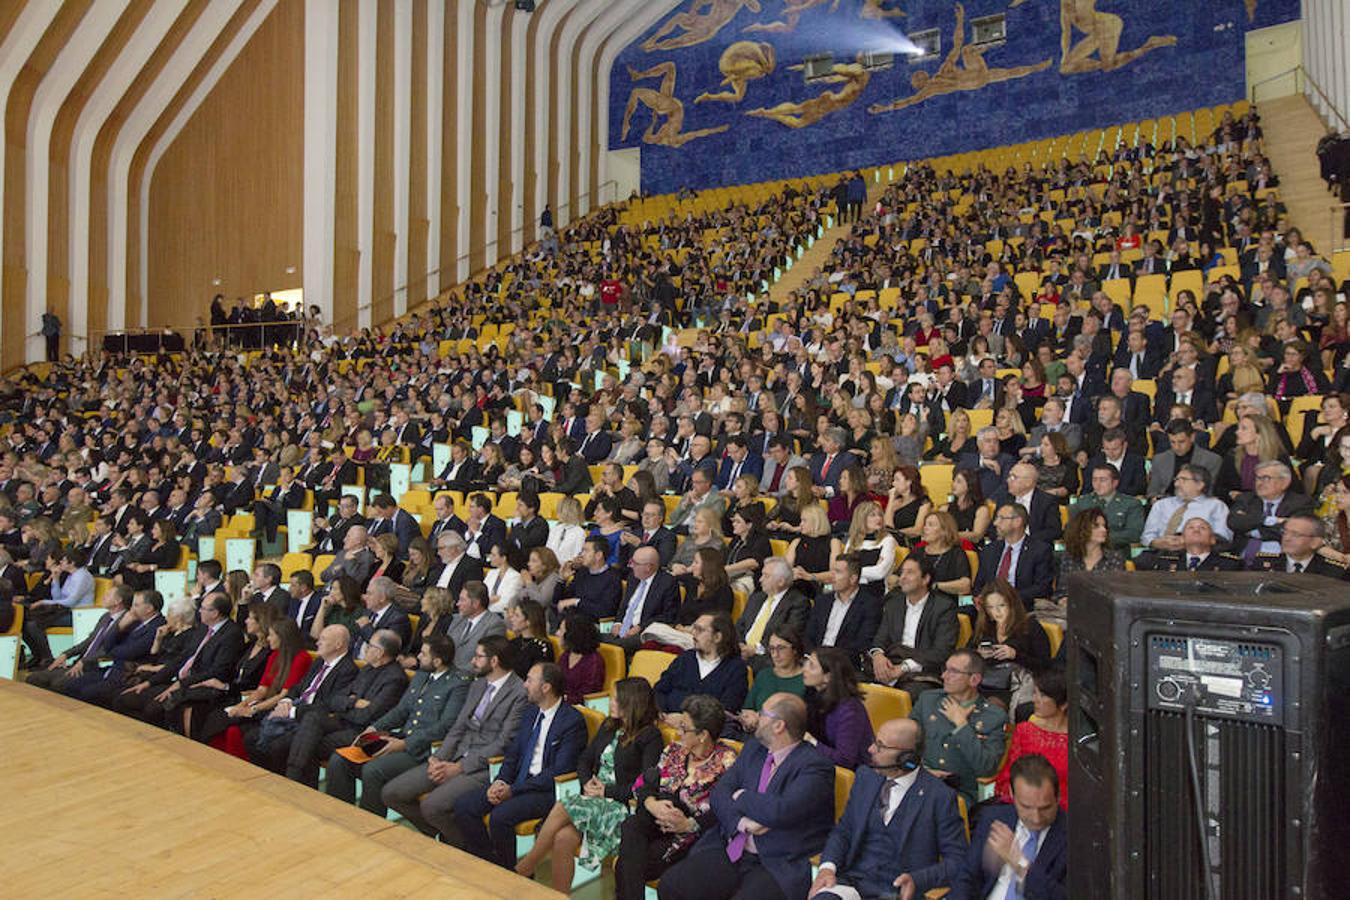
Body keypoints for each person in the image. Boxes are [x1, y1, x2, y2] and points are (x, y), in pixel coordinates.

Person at [655, 692, 835, 900]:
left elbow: (779, 810)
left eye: (763, 713)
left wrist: (741, 796)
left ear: (779, 726)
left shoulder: (815, 766)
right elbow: (720, 793)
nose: (757, 716)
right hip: (731, 844)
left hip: (774, 862)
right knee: (671, 885)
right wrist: (741, 823)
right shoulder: (754, 748)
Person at [515, 678, 664, 890]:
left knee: (564, 804)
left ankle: (525, 867)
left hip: (622, 809)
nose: (610, 702)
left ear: (631, 702)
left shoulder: (650, 737)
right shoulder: (609, 725)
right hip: (593, 800)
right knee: (563, 838)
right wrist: (587, 783)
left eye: (615, 699)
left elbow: (644, 784)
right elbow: (584, 759)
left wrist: (606, 790)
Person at [381, 634, 528, 843]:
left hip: (483, 766)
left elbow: (503, 743)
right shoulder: (477, 684)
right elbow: (458, 726)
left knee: (431, 806)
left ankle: (471, 851)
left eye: (478, 657)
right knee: (392, 793)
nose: (472, 661)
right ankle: (446, 837)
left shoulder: (519, 693)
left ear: (494, 661)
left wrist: (459, 767)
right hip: (454, 756)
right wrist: (439, 758)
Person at [810, 718, 968, 900]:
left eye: (880, 746)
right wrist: (827, 868)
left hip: (898, 893)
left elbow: (958, 860)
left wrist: (918, 880)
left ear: (906, 759)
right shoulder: (865, 777)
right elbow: (844, 830)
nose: (871, 750)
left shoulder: (939, 796)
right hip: (853, 883)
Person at [452, 662, 588, 869]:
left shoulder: (572, 721)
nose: (524, 685)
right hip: (516, 782)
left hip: (545, 790)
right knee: (464, 806)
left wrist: (513, 790)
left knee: (500, 817)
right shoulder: (530, 713)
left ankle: (509, 874)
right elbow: (513, 754)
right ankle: (490, 865)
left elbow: (559, 770)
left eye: (530, 680)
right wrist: (500, 781)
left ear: (546, 687)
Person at [323, 633, 465, 817]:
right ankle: (340, 815)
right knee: (340, 759)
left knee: (373, 770)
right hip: (400, 738)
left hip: (422, 750)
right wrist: (374, 728)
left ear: (437, 661)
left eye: (423, 654)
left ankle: (368, 824)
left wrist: (405, 744)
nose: (418, 657)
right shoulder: (422, 674)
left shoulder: (457, 684)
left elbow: (444, 727)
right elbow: (401, 710)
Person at [614, 694, 740, 900]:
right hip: (653, 820)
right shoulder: (674, 750)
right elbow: (645, 783)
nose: (678, 732)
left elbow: (723, 810)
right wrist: (651, 803)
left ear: (703, 735)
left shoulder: (726, 762)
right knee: (631, 825)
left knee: (626, 864)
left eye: (684, 728)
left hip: (688, 835)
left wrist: (689, 824)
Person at [113, 592, 246, 728]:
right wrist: (149, 683)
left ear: (215, 613)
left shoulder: (231, 634)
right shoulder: (203, 628)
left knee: (153, 710)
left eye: (203, 609)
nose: (199, 611)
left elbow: (218, 671)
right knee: (124, 698)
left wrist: (181, 684)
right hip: (180, 681)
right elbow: (181, 659)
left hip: (200, 686)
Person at [949, 755, 1068, 900]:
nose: (1036, 818)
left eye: (1045, 808)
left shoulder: (1074, 835)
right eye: (1026, 807)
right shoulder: (994, 818)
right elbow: (966, 878)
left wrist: (1019, 863)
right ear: (1012, 794)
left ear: (1058, 797)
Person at [910, 649, 1009, 805]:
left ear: (974, 679)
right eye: (945, 669)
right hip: (920, 779)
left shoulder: (993, 717)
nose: (944, 676)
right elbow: (905, 746)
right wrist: (919, 770)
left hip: (959, 792)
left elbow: (986, 768)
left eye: (953, 672)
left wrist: (961, 725)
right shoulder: (928, 700)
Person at [869, 554, 959, 692]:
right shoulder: (894, 604)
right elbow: (880, 638)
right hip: (892, 663)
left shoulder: (944, 607)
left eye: (910, 572)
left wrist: (904, 667)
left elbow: (941, 651)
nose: (902, 577)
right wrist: (878, 656)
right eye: (902, 572)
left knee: (913, 692)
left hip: (923, 671)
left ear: (925, 579)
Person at [25, 583, 133, 692]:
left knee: (58, 684)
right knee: (34, 678)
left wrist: (85, 661)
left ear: (118, 600)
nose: (104, 595)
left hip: (94, 666)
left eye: (108, 594)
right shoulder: (105, 617)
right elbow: (89, 641)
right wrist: (66, 654)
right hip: (79, 662)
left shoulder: (126, 622)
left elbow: (110, 649)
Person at [993, 670, 1069, 810]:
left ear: (1063, 704)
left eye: (1043, 695)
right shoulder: (1025, 731)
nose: (1034, 699)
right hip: (1026, 808)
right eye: (1035, 693)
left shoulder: (1078, 741)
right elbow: (1009, 776)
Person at [971, 580, 1052, 712]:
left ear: (1012, 604)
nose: (996, 612)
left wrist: (1015, 655)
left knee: (990, 709)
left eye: (1001, 605)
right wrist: (978, 654)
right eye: (990, 607)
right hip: (985, 682)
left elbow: (1045, 666)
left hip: (1015, 687)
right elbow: (967, 652)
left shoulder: (1030, 627)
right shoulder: (986, 626)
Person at [653, 612, 749, 716]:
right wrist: (662, 713)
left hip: (704, 730)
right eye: (694, 628)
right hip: (667, 720)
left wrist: (685, 721)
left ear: (717, 637)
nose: (693, 633)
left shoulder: (736, 669)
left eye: (700, 630)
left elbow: (726, 710)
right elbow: (659, 690)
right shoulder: (685, 658)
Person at [974, 504, 1056, 611]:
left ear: (1017, 522)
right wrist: (981, 597)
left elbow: (1042, 588)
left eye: (1001, 518)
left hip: (1021, 605)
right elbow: (979, 584)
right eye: (996, 518)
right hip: (990, 606)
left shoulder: (1040, 550)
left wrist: (1007, 598)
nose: (995, 523)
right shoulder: (989, 550)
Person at [802, 647, 874, 770]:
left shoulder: (850, 710)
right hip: (818, 765)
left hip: (852, 775)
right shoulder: (812, 695)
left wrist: (810, 741)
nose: (804, 669)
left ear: (827, 677)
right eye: (806, 662)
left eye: (812, 666)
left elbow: (845, 760)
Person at [734, 557, 810, 671]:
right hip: (742, 653)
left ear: (781, 581)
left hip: (767, 657)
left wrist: (755, 649)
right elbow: (740, 625)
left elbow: (788, 637)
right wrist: (740, 646)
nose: (760, 579)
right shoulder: (756, 597)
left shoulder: (798, 603)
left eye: (766, 576)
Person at [806, 555, 883, 666]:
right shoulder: (822, 601)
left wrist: (828, 660)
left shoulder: (870, 605)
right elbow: (809, 635)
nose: (832, 576)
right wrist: (813, 657)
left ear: (853, 578)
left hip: (843, 665)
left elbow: (863, 642)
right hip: (815, 661)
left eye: (837, 572)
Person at [605, 546, 680, 655]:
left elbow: (668, 616)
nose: (631, 566)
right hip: (621, 628)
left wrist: (640, 627)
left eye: (635, 563)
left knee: (614, 647)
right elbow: (625, 606)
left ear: (648, 567)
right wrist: (618, 622)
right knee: (590, 638)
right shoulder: (633, 577)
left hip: (643, 632)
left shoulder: (667, 583)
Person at [737, 624, 807, 733]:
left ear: (795, 649)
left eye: (781, 648)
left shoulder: (808, 679)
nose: (775, 654)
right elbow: (747, 709)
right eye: (772, 649)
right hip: (758, 734)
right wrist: (748, 718)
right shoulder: (764, 675)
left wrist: (762, 720)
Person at [1068, 464, 1145, 549]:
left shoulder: (1131, 504)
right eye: (1094, 480)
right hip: (1086, 551)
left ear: (1115, 482)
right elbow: (1072, 530)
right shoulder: (1083, 502)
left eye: (1103, 480)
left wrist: (1099, 537)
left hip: (1116, 551)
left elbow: (1134, 534)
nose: (1097, 484)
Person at [557, 612, 606, 703]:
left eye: (561, 630)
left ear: (572, 635)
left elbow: (587, 696)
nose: (557, 633)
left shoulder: (594, 662)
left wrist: (562, 699)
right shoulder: (566, 655)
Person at [504, 599, 554, 677]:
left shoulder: (542, 648)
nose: (512, 619)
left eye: (517, 615)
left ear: (529, 621)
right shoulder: (513, 642)